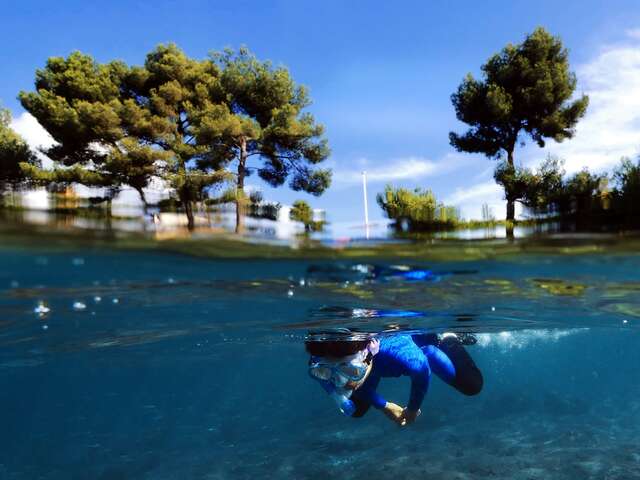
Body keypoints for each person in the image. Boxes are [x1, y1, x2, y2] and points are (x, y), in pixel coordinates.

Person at [306, 331, 483, 425]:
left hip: (424, 343)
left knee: (472, 385)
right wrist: (385, 406)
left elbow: (422, 368)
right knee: (357, 411)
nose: (341, 382)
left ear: (370, 352)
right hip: (370, 363)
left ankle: (448, 337)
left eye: (351, 371)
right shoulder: (322, 353)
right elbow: (344, 385)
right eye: (327, 371)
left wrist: (412, 409)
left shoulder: (395, 352)